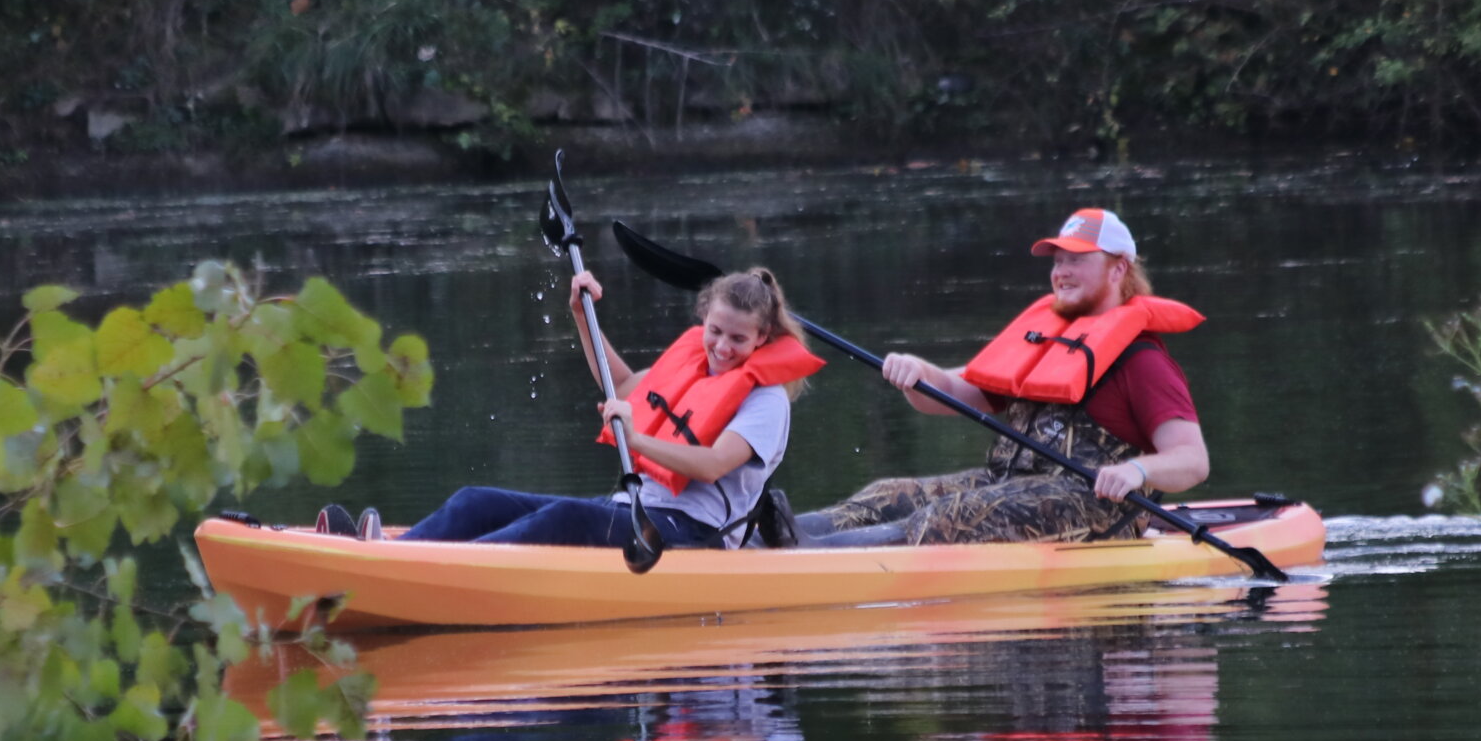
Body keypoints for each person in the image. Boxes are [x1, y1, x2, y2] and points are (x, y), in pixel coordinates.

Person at [797, 207, 1210, 547]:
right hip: (1006, 482)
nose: (1061, 271)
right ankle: (781, 536)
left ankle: (806, 561)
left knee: (951, 516)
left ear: (1119, 269)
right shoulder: (1044, 340)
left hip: (1097, 505)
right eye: (1058, 260)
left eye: (1077, 259)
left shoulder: (1143, 361)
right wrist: (918, 374)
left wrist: (1137, 472)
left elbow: (1193, 461)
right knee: (889, 494)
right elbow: (953, 391)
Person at [365, 265, 821, 549]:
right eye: (715, 331)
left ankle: (435, 569)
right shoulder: (695, 368)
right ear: (705, 319)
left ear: (763, 338)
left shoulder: (767, 400)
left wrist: (637, 439)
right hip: (634, 511)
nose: (722, 346)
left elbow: (711, 464)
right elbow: (622, 384)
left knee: (567, 517)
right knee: (476, 501)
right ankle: (395, 555)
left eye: (738, 338)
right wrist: (584, 318)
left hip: (695, 534)